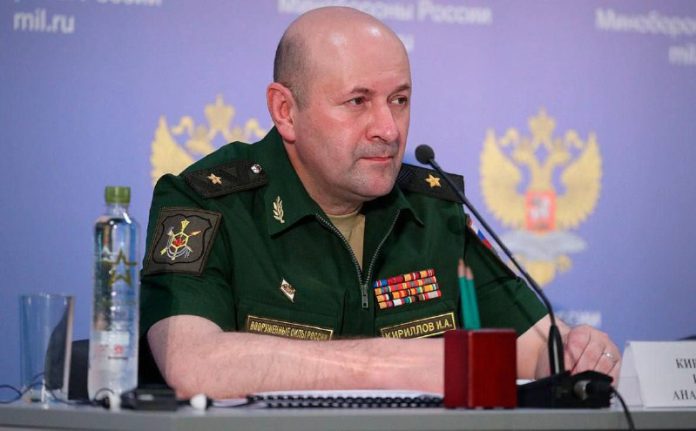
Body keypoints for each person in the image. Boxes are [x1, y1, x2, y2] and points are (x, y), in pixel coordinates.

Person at [139, 6, 620, 399]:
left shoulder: (435, 209)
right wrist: (394, 364)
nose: (388, 129)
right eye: (358, 101)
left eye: (400, 100)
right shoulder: (206, 202)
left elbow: (537, 352)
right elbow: (191, 363)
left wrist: (576, 351)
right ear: (285, 111)